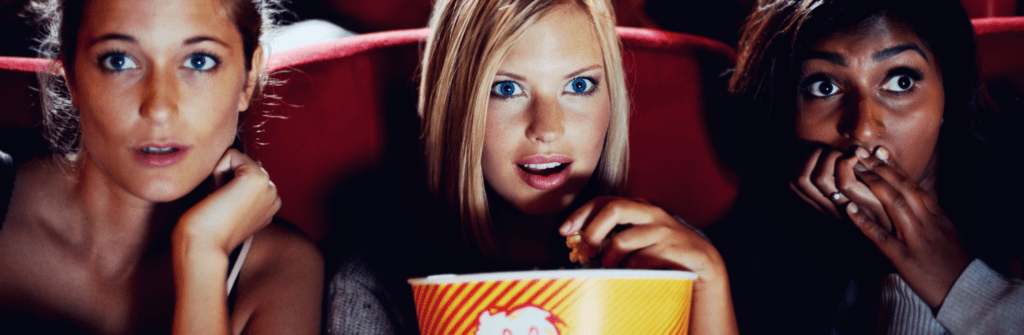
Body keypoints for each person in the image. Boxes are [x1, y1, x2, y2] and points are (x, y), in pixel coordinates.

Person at [326, 0, 738, 334]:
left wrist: (711, 285)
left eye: (579, 86)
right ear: (453, 107)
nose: (548, 129)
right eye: (506, 89)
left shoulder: (669, 256)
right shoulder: (375, 279)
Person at [0, 0, 323, 333]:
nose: (158, 108)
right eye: (119, 60)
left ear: (248, 78)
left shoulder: (278, 269)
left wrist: (203, 253)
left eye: (199, 61)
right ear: (71, 76)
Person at [710, 0, 1024, 333]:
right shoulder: (757, 260)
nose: (862, 128)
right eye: (824, 87)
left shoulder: (1012, 217)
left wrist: (962, 287)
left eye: (901, 82)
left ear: (949, 94)